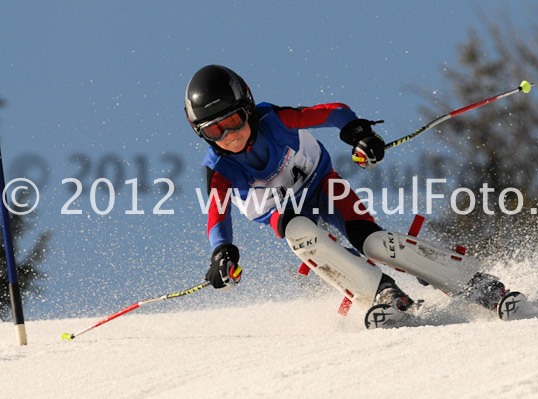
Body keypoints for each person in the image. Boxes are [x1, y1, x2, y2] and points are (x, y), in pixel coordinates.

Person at [184, 65, 507, 328]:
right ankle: (383, 293)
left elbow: (333, 112)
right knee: (298, 231)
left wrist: (360, 134)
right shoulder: (219, 169)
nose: (230, 135)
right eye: (215, 131)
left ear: (249, 108)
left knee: (373, 243)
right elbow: (217, 213)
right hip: (283, 214)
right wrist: (222, 254)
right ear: (202, 134)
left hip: (323, 185)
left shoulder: (275, 122)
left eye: (234, 121)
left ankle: (471, 281)